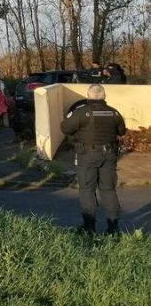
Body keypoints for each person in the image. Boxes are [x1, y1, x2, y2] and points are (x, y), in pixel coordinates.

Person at [61, 84, 126, 234]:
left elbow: (65, 128)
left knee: (87, 189)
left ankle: (89, 227)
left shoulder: (81, 112)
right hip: (109, 155)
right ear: (104, 96)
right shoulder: (114, 113)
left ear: (88, 96)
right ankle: (113, 228)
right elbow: (121, 131)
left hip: (87, 155)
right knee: (108, 189)